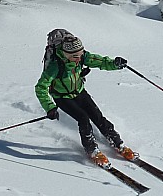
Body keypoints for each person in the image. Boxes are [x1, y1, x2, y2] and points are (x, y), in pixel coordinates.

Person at [35, 35, 135, 166]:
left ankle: (117, 143)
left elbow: (100, 61)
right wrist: (50, 108)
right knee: (83, 118)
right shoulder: (55, 66)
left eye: (80, 54)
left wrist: (114, 64)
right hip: (62, 97)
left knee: (97, 116)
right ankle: (91, 149)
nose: (78, 59)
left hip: (80, 92)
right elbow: (41, 87)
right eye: (75, 56)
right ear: (66, 54)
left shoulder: (83, 57)